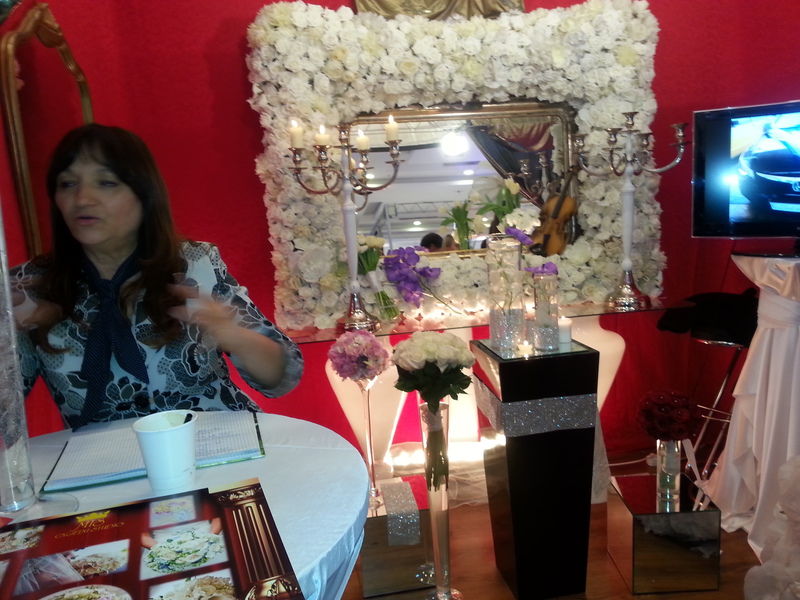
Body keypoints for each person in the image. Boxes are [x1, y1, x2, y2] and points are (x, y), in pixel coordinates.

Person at [11, 123, 303, 429]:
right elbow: (6, 412)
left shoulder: (195, 263)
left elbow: (283, 377)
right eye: (68, 183)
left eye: (106, 183)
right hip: (102, 455)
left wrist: (235, 336)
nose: (83, 198)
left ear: (144, 194)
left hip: (217, 441)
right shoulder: (27, 287)